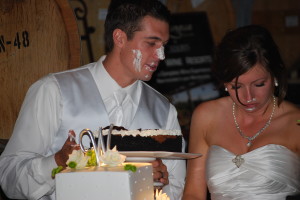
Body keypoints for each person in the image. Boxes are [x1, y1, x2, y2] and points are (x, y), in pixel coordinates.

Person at [0, 0, 186, 199]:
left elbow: (175, 188)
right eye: (151, 43)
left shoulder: (164, 111)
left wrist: (157, 185)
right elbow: (9, 177)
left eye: (164, 45)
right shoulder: (54, 91)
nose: (161, 55)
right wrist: (56, 162)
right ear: (120, 38)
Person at [183, 25, 300, 200]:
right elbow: (193, 194)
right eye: (236, 86)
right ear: (224, 82)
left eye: (259, 84)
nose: (248, 97)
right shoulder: (206, 116)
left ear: (275, 75)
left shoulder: (295, 122)